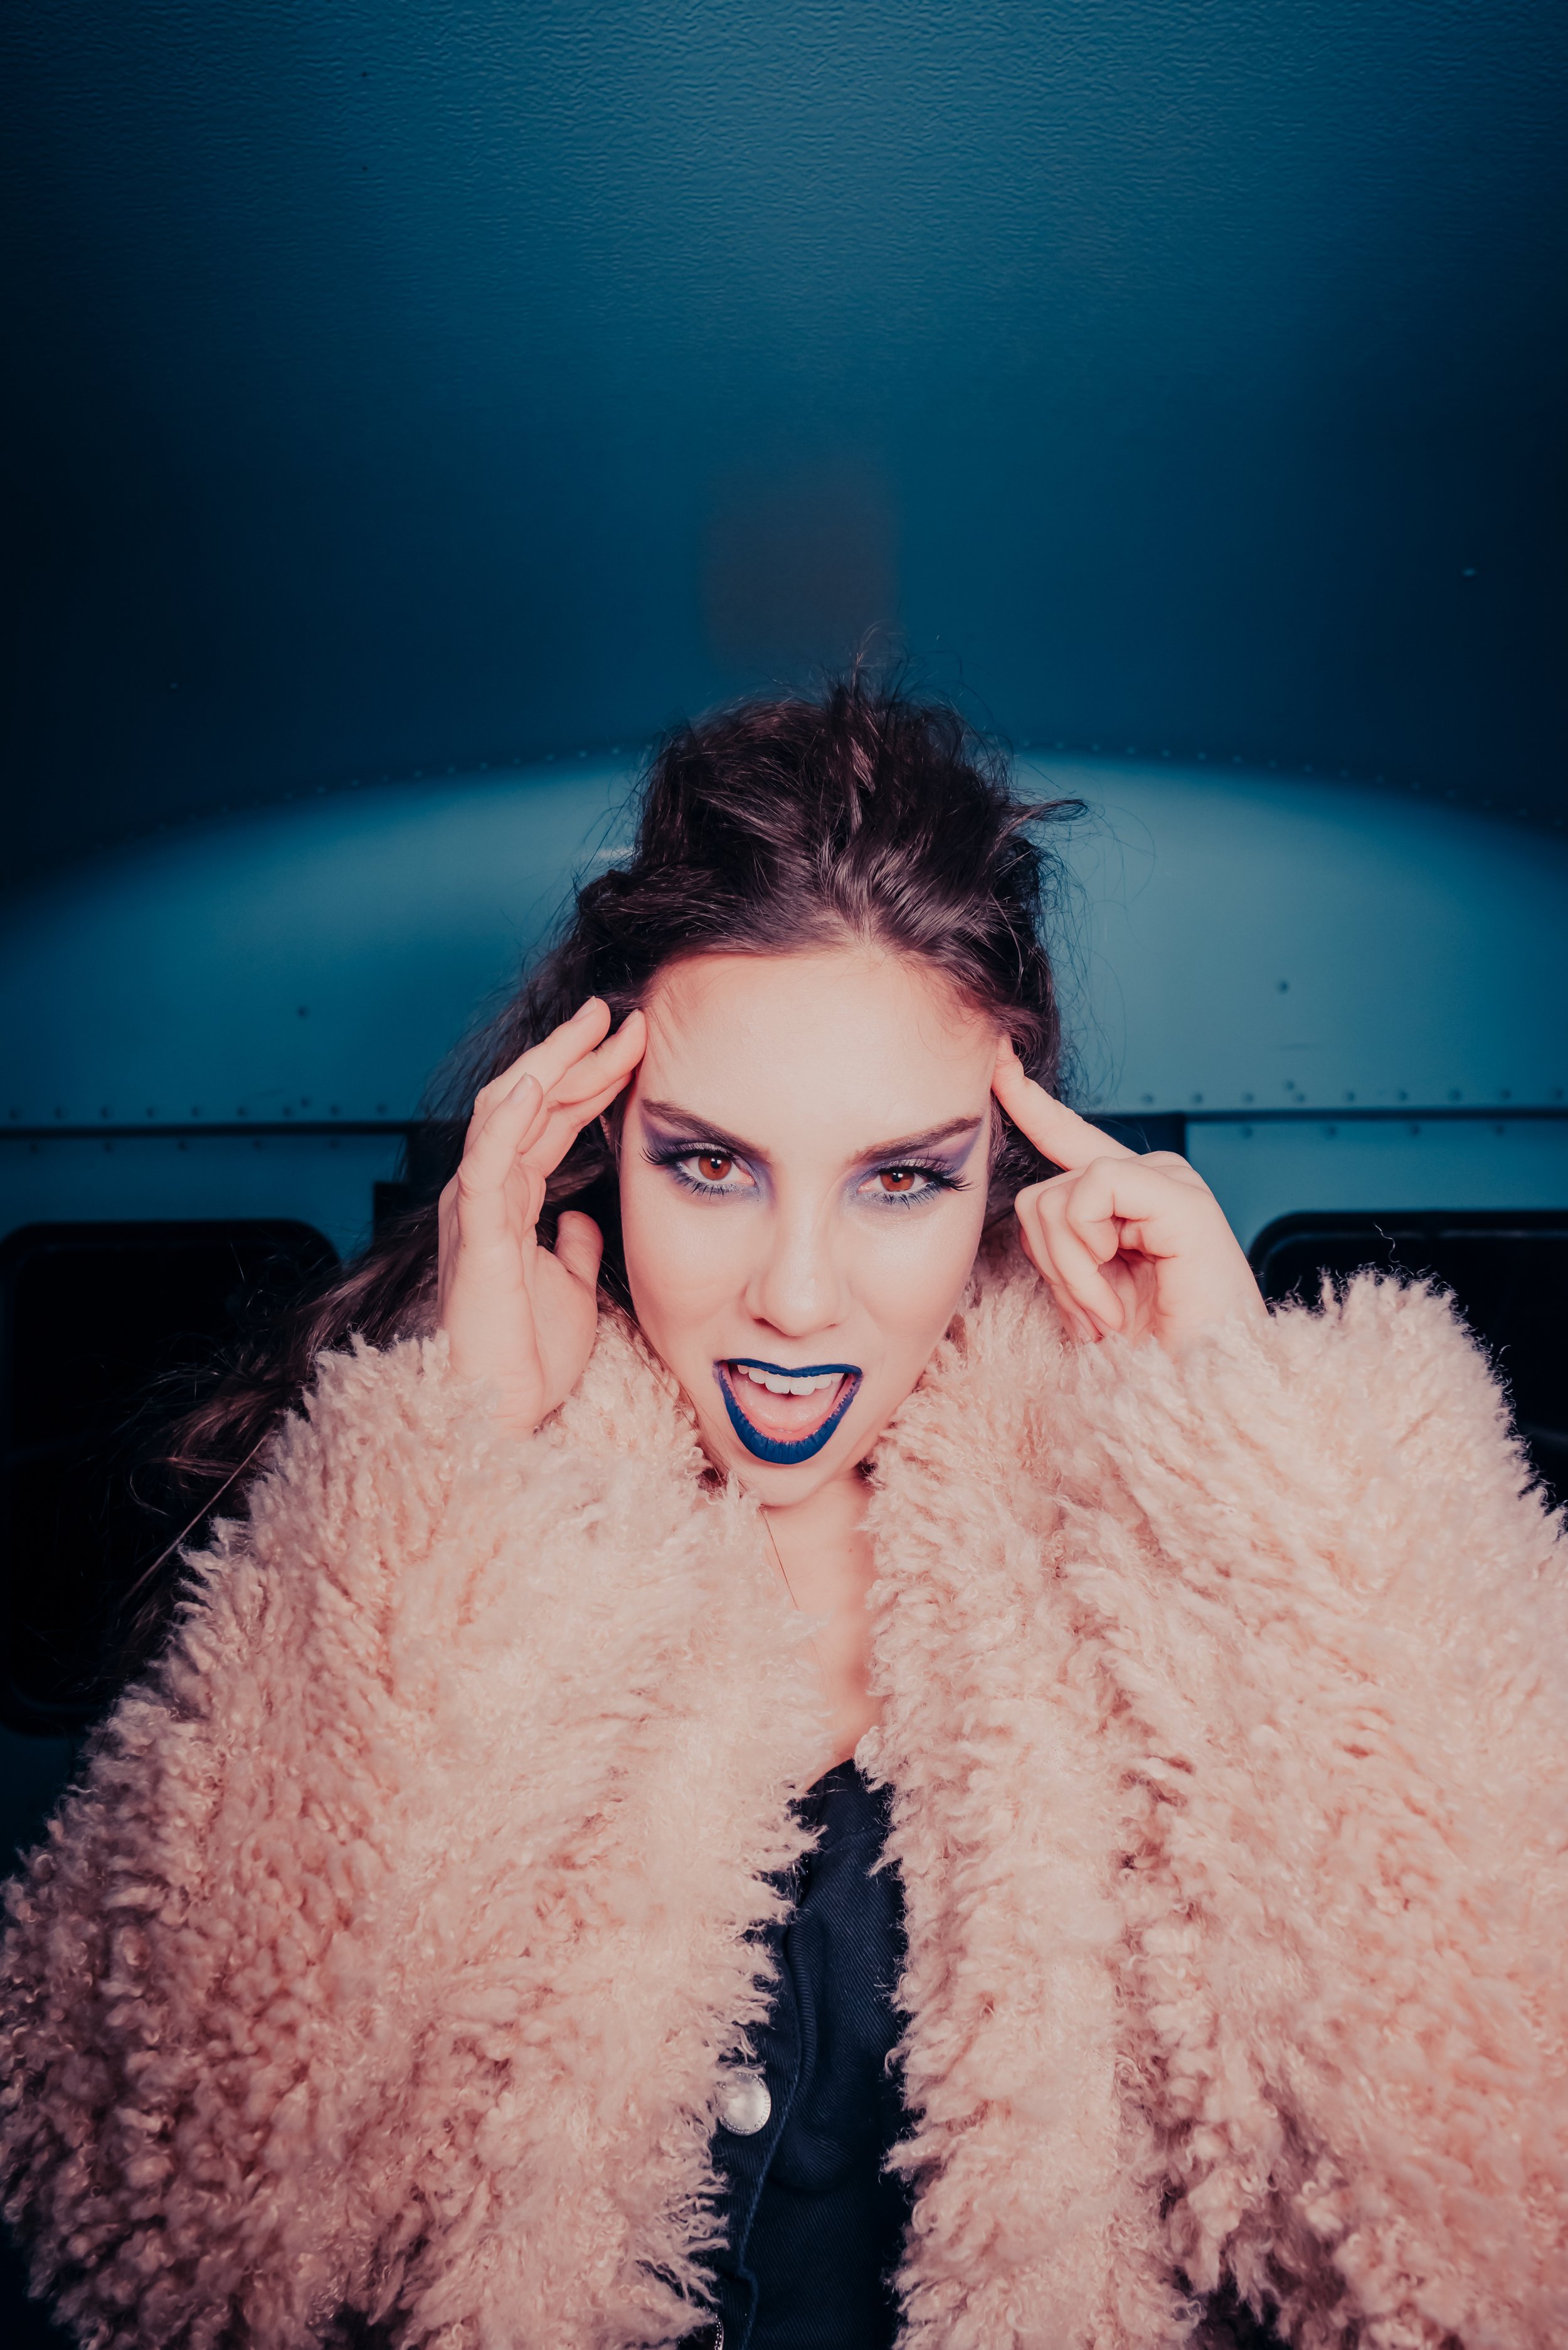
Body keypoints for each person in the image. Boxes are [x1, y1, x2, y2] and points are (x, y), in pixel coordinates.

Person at [1, 681, 1564, 2350]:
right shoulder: (426, 1523)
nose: (798, 1297)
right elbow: (149, 2222)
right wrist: (456, 1453)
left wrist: (1254, 1470)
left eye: (899, 1177)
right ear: (595, 1147)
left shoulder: (1127, 1561)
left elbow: (1494, 2228)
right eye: (709, 1165)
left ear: (999, 1170)